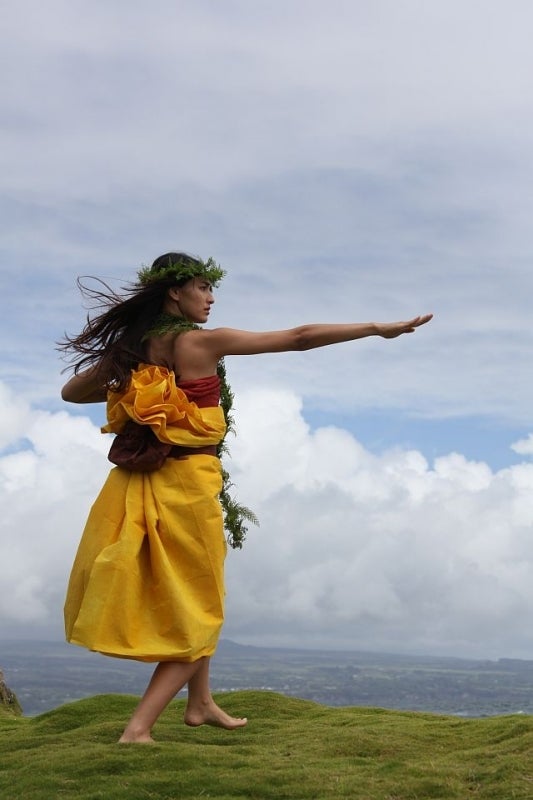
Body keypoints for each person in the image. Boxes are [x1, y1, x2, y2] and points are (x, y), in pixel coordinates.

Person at [60, 252, 432, 744]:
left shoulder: (134, 348)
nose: (210, 297)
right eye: (201, 286)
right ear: (175, 291)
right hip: (187, 487)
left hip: (137, 484)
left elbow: (72, 392)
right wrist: (375, 328)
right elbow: (298, 339)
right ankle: (138, 729)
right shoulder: (202, 342)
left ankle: (201, 703)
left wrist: (129, 390)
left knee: (200, 589)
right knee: (204, 606)